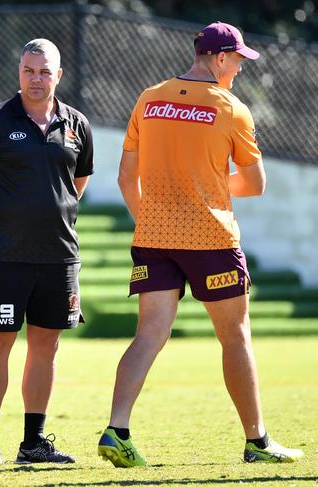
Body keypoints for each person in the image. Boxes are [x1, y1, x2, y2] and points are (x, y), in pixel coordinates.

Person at [97, 21, 304, 467]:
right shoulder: (231, 108)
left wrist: (152, 218)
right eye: (238, 61)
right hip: (210, 237)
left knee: (149, 334)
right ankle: (257, 442)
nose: (241, 70)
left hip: (154, 237)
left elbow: (123, 178)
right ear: (220, 58)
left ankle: (116, 429)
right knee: (235, 336)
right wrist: (205, 187)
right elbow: (255, 184)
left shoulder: (149, 98)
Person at [0, 38, 94, 465]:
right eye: (29, 71)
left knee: (46, 347)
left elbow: (76, 186)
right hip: (5, 258)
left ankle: (34, 443)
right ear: (19, 73)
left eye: (44, 71)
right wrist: (3, 218)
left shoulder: (77, 124)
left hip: (59, 257)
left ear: (58, 75)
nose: (36, 79)